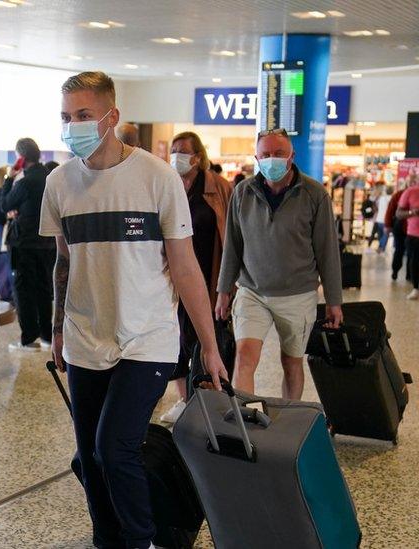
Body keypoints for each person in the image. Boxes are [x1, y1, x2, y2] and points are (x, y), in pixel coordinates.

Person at [42, 71, 227, 549]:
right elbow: (64, 262)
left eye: (83, 115)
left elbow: (185, 268)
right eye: (66, 117)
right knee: (90, 452)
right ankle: (108, 538)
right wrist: (57, 328)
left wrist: (208, 345)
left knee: (115, 447)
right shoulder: (59, 183)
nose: (73, 125)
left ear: (112, 117)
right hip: (86, 336)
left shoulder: (156, 177)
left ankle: (140, 540)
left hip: (148, 337)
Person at [216, 128, 343, 400]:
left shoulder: (314, 194)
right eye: (265, 155)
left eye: (278, 154)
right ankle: (245, 423)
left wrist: (334, 301)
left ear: (292, 156)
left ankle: (288, 421)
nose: (271, 160)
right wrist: (223, 291)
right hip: (253, 292)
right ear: (256, 157)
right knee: (245, 357)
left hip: (297, 295)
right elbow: (233, 246)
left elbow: (327, 251)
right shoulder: (242, 193)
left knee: (291, 362)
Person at [159, 132, 233, 424]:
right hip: (173, 279)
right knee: (176, 341)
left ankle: (209, 402)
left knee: (205, 340)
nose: (176, 155)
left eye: (182, 151)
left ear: (198, 157)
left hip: (208, 276)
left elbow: (230, 237)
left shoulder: (220, 189)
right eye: (173, 150)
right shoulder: (168, 185)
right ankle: (183, 400)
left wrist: (229, 285)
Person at [2, 137, 55, 352]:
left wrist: (9, 178)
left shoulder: (24, 182)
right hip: (48, 243)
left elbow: (4, 205)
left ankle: (28, 337)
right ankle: (46, 335)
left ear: (21, 159)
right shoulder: (50, 179)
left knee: (23, 290)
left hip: (24, 243)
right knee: (44, 289)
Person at [396, 181, 419, 300]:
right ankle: (416, 288)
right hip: (414, 235)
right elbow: (398, 213)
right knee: (415, 262)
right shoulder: (410, 191)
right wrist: (412, 212)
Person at [388, 180, 412, 280]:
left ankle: (409, 275)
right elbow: (391, 210)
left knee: (411, 253)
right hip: (400, 228)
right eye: (411, 181)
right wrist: (387, 225)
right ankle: (395, 271)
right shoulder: (398, 194)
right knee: (399, 250)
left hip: (413, 230)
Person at [370, 187, 391, 252]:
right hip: (385, 219)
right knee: (385, 234)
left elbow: (375, 206)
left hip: (378, 219)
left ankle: (381, 247)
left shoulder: (381, 198)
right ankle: (381, 247)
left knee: (381, 234)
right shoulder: (390, 198)